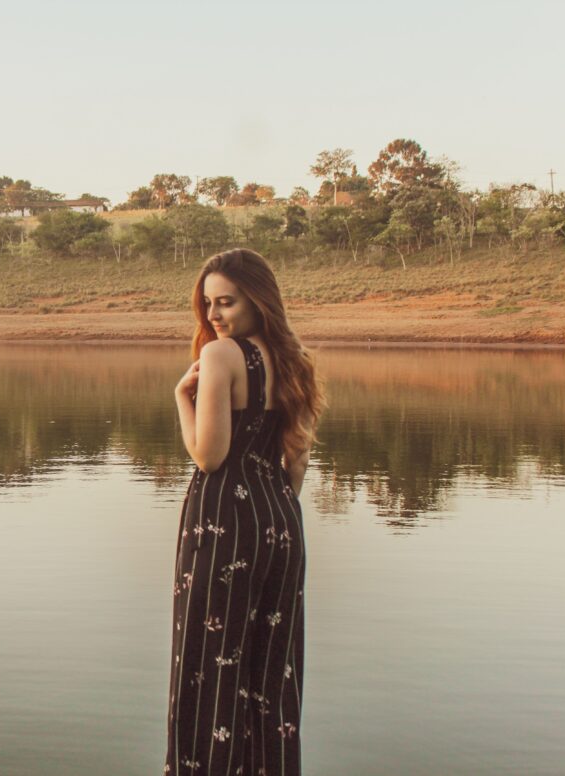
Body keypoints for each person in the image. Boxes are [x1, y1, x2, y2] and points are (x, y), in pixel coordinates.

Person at [164, 248, 325, 776]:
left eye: (225, 302)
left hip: (223, 523)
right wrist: (272, 513)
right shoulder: (294, 357)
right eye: (208, 304)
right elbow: (297, 457)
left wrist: (181, 401)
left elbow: (209, 455)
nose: (213, 316)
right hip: (280, 520)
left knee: (208, 666)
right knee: (270, 670)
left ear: (258, 300)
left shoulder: (222, 356)